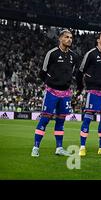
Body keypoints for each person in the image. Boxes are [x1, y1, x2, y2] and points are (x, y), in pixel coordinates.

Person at [31, 29, 78, 157]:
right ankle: (36, 147)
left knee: (61, 121)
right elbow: (43, 72)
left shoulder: (74, 56)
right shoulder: (51, 53)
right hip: (52, 92)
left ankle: (59, 148)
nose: (69, 39)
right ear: (60, 39)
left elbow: (72, 72)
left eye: (71, 37)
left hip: (65, 93)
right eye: (67, 37)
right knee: (45, 119)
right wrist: (51, 82)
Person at [77, 31, 101, 157]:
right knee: (88, 118)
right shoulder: (91, 54)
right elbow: (81, 70)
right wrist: (83, 85)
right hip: (94, 91)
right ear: (98, 40)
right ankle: (82, 147)